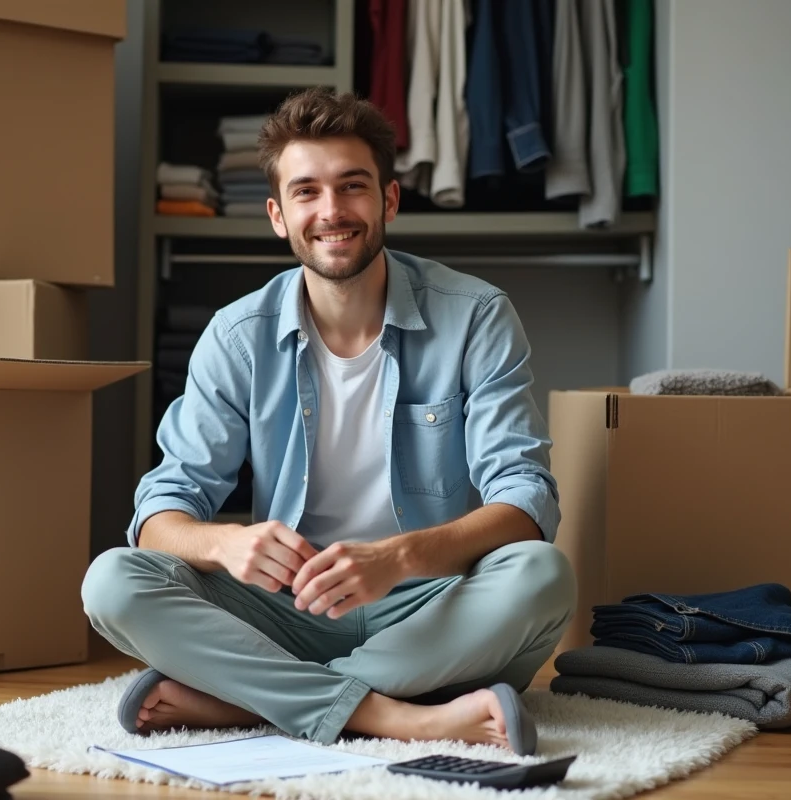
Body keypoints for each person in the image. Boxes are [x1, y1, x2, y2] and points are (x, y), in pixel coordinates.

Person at [82, 87, 576, 752]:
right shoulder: (236, 335)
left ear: (389, 200)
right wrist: (226, 544)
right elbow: (161, 512)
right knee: (113, 580)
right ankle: (401, 715)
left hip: (428, 605)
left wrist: (397, 558)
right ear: (278, 216)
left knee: (543, 575)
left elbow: (525, 500)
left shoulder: (476, 316)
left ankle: (244, 702)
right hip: (284, 609)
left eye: (352, 186)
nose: (332, 211)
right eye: (307, 191)